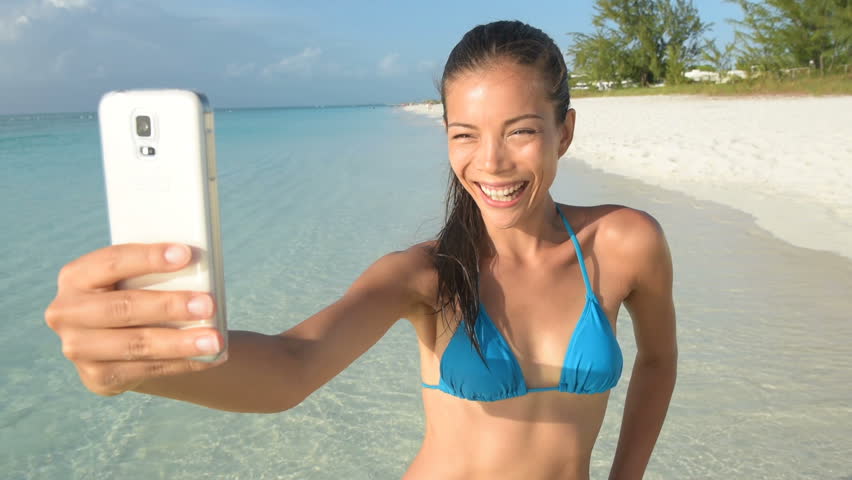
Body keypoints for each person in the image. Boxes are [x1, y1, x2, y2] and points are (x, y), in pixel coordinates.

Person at [45, 20, 677, 480]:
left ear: (564, 131)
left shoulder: (624, 245)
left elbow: (658, 361)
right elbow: (294, 366)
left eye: (521, 131)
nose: (491, 162)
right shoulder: (426, 276)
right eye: (465, 134)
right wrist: (144, 365)